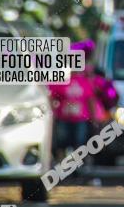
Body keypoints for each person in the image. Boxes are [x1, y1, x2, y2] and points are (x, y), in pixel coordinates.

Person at [48, 40, 119, 182]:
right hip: (63, 118)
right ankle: (63, 167)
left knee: (79, 143)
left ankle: (76, 167)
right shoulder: (61, 81)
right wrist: (52, 115)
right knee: (62, 142)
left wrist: (94, 119)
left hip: (81, 120)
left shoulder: (85, 81)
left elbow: (91, 100)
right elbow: (51, 97)